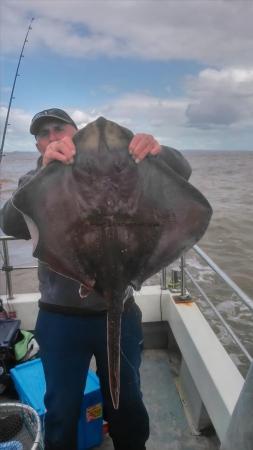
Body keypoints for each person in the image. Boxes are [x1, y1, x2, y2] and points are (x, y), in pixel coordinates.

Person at [0, 108, 192, 450]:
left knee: (126, 401)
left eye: (60, 128)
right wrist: (44, 171)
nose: (53, 136)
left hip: (119, 310)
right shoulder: (36, 177)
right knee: (61, 405)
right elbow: (11, 224)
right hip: (60, 318)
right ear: (37, 145)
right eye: (43, 134)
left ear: (76, 132)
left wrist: (159, 151)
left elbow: (181, 174)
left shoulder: (128, 166)